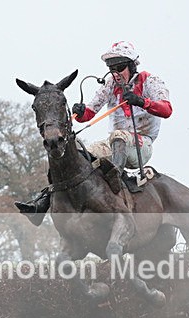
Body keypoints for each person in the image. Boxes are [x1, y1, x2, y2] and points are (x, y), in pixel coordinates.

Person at [15, 41, 173, 223]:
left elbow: (167, 110)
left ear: (131, 65)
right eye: (111, 68)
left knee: (118, 136)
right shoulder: (110, 84)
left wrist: (141, 101)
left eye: (119, 67)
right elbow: (89, 113)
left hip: (141, 145)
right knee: (78, 152)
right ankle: (43, 201)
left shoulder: (150, 81)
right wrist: (81, 111)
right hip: (114, 144)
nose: (115, 73)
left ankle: (116, 182)